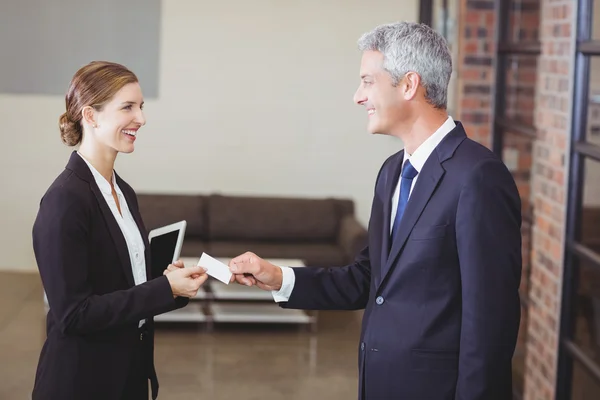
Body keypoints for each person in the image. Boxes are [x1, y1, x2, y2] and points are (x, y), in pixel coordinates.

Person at [227, 22, 522, 399]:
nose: (357, 96)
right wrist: (278, 277)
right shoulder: (391, 172)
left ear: (408, 84)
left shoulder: (479, 177)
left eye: (367, 81)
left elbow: (490, 323)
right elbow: (368, 280)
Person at [32, 61, 208, 400]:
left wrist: (170, 287)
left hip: (127, 373)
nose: (141, 118)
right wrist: (162, 289)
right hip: (82, 381)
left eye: (140, 106)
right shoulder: (64, 201)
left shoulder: (122, 191)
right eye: (127, 107)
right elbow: (73, 315)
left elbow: (122, 286)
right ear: (91, 115)